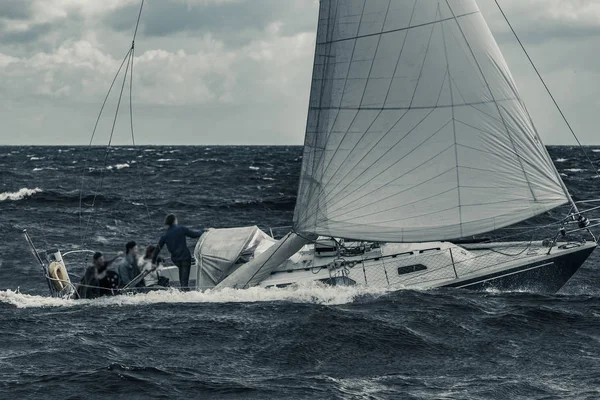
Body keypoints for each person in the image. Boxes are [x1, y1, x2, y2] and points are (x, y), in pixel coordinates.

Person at [152, 214, 203, 291]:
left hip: (176, 260)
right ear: (174, 220)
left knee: (182, 278)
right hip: (185, 258)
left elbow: (157, 249)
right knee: (184, 282)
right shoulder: (181, 229)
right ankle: (185, 293)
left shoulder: (165, 235)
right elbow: (194, 235)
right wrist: (203, 231)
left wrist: (153, 261)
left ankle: (183, 291)